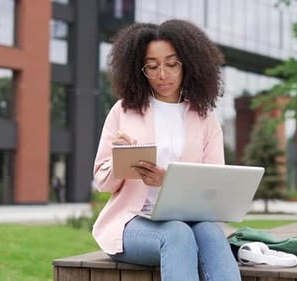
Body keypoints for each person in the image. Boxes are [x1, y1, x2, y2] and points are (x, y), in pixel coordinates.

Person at [92, 19, 241, 281]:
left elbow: (215, 185)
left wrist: (168, 180)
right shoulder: (123, 111)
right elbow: (102, 182)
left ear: (189, 65)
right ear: (140, 69)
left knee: (211, 232)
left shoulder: (205, 118)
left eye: (171, 64)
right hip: (133, 222)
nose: (162, 74)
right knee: (177, 233)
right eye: (152, 66)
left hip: (190, 220)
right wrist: (121, 161)